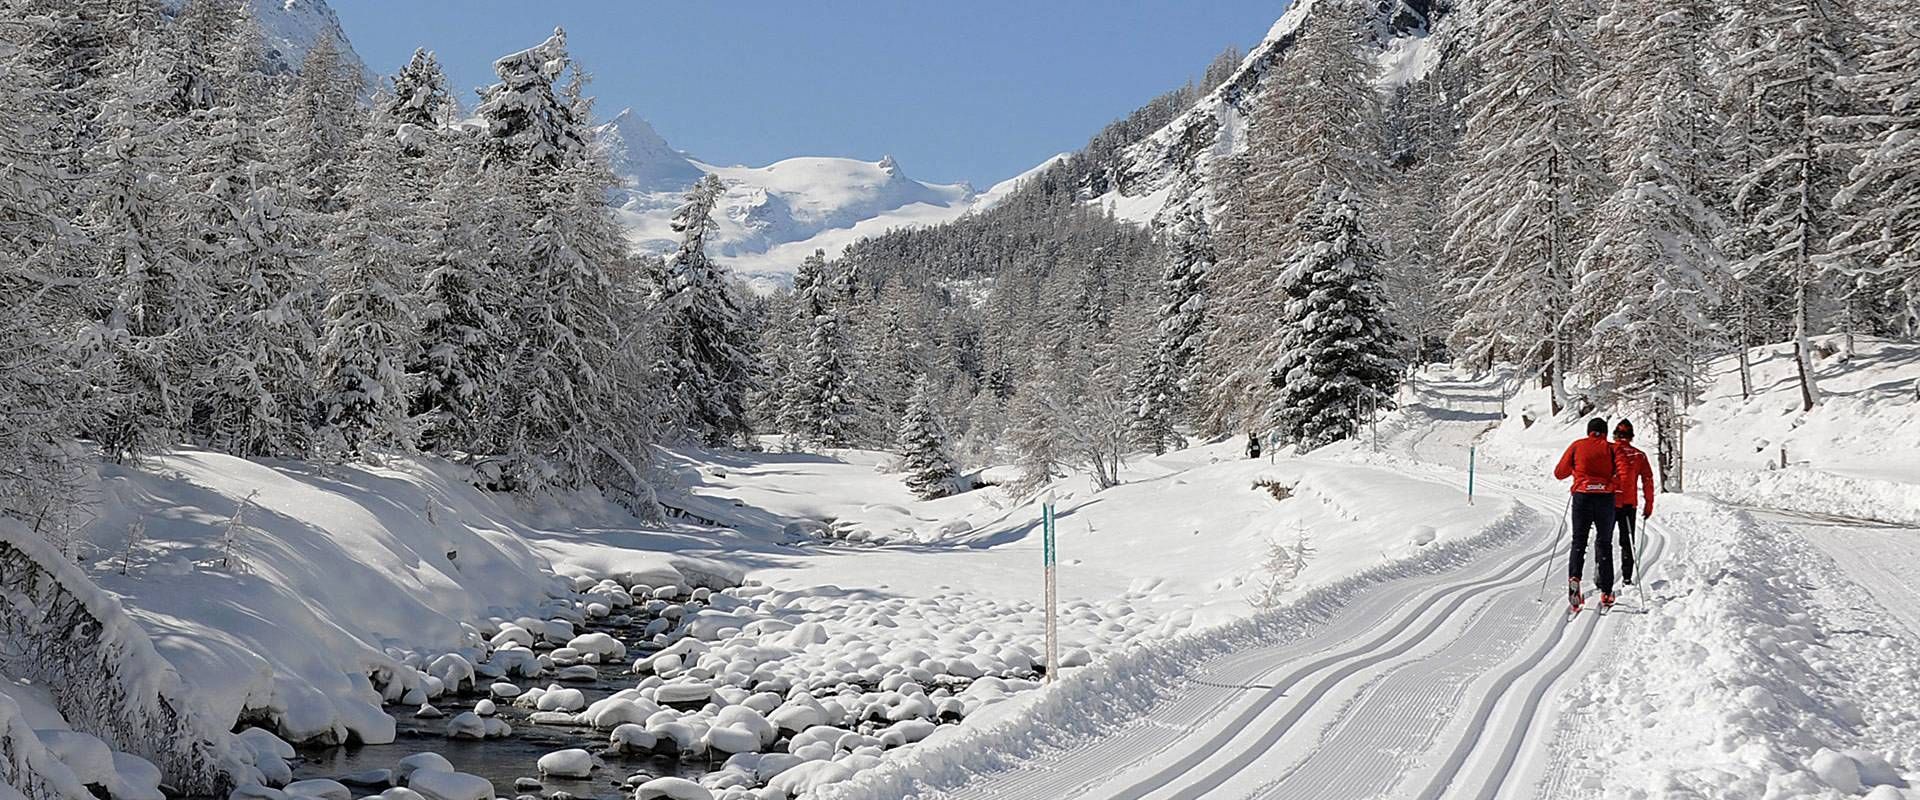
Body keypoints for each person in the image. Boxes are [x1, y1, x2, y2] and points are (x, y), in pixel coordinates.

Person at [1554, 417, 1618, 611]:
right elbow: (1622, 473)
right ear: (1605, 432)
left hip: (1582, 496)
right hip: (1605, 498)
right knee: (1604, 542)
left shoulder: (1577, 446)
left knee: (1579, 541)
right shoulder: (1612, 449)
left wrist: (1578, 470)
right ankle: (1606, 591)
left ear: (1588, 431)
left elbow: (1559, 473)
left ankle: (1575, 578)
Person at [1611, 419, 1655, 586]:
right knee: (1627, 541)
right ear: (1631, 436)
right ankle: (1627, 577)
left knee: (1603, 539)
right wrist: (1649, 503)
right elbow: (1648, 480)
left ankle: (1601, 575)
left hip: (1609, 501)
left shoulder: (1608, 451)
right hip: (1629, 503)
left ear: (1615, 435)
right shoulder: (1639, 455)